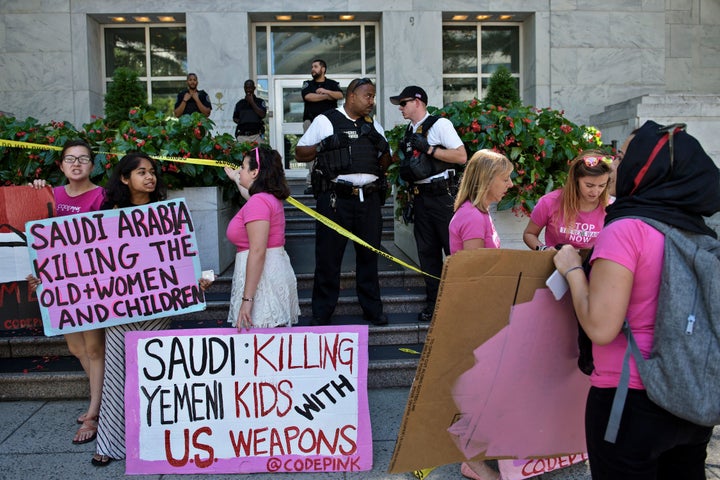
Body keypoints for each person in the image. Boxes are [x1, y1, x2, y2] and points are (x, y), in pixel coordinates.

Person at [553, 120, 720, 479]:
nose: (614, 163)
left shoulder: (626, 229)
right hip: (690, 395)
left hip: (628, 400)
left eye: (624, 154)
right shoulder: (695, 230)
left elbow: (600, 326)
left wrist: (571, 269)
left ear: (648, 166)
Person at [91, 152, 213, 466]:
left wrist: (192, 281)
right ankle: (108, 444)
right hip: (120, 309)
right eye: (141, 172)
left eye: (152, 172)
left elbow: (178, 257)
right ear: (123, 178)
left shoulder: (166, 213)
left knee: (157, 378)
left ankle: (160, 442)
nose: (150, 177)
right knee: (117, 376)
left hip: (158, 310)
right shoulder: (109, 213)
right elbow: (88, 262)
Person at [26, 139, 106, 445]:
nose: (76, 164)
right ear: (60, 165)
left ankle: (96, 411)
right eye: (70, 159)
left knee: (95, 347)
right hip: (58, 283)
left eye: (83, 159)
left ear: (92, 164)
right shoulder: (49, 194)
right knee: (76, 348)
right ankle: (103, 399)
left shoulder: (102, 195)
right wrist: (34, 192)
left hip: (93, 281)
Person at [295, 77, 391, 327]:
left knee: (369, 257)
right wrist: (324, 145)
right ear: (351, 96)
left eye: (373, 96)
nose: (371, 101)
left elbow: (385, 162)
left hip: (368, 199)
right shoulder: (326, 120)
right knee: (328, 258)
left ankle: (372, 309)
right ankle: (322, 312)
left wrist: (381, 146)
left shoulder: (373, 125)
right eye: (367, 96)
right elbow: (299, 151)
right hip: (336, 199)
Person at [448, 149, 513, 480]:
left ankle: (477, 457)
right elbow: (475, 274)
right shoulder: (473, 217)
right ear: (487, 180)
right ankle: (472, 462)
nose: (510, 184)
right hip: (475, 315)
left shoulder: (479, 214)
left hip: (481, 313)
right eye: (505, 178)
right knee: (479, 389)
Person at [390, 85, 467, 321]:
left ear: (417, 101)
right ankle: (434, 304)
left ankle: (460, 304)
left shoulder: (439, 124)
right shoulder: (410, 130)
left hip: (442, 196)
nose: (400, 108)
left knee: (452, 251)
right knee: (427, 254)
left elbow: (461, 156)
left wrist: (431, 149)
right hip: (420, 197)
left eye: (403, 103)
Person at [223, 146, 300, 329]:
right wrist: (236, 178)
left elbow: (257, 251)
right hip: (269, 273)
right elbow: (249, 195)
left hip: (263, 282)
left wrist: (248, 299)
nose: (240, 171)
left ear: (255, 172)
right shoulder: (267, 198)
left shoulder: (258, 202)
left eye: (242, 167)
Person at [523, 150, 612, 251]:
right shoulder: (549, 202)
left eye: (602, 186)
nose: (595, 192)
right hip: (556, 264)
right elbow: (529, 234)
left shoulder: (611, 208)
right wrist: (544, 249)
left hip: (594, 265)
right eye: (589, 185)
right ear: (576, 180)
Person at [301, 59, 344, 194]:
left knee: (331, 150)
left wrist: (325, 91)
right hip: (311, 121)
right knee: (310, 151)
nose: (312, 69)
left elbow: (340, 95)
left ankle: (332, 179)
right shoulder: (307, 84)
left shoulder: (331, 84)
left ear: (323, 69)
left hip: (330, 123)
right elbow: (308, 97)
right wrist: (328, 96)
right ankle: (311, 182)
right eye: (312, 67)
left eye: (315, 66)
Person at [232, 79, 267, 145]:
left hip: (256, 136)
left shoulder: (260, 102)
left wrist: (252, 102)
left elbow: (263, 115)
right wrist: (243, 121)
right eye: (246, 88)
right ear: (244, 88)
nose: (248, 90)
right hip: (242, 136)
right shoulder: (239, 103)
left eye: (250, 88)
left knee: (258, 155)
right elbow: (235, 118)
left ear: (254, 88)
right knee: (243, 155)